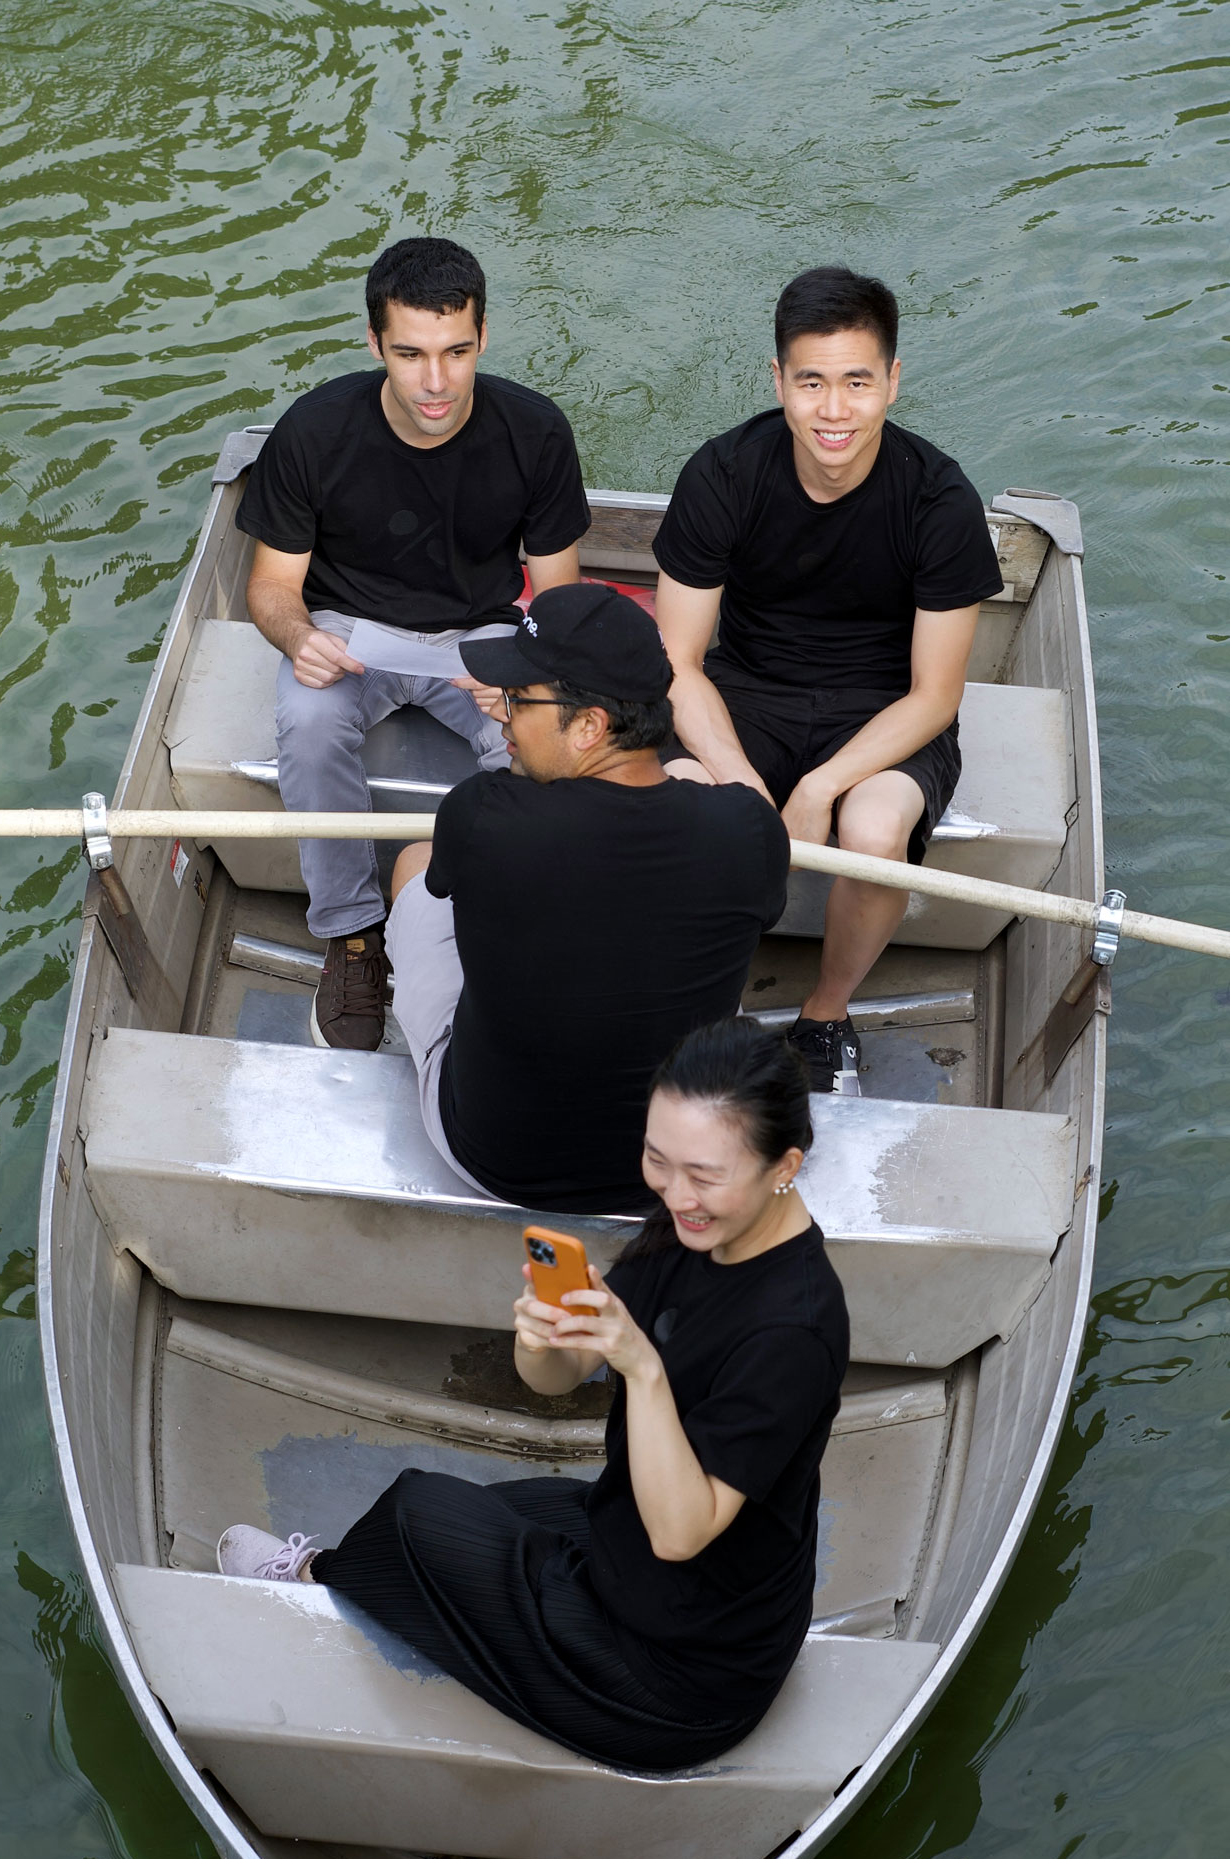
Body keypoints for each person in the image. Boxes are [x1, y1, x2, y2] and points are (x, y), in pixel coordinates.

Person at [218, 1018, 850, 1775]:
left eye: (704, 1174)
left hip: (680, 1677)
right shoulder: (701, 1230)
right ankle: (374, 1576)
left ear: (785, 1166)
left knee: (420, 1513)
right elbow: (556, 1376)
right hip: (644, 1557)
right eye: (657, 1158)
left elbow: (684, 1530)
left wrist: (641, 1368)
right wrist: (543, 1335)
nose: (676, 1192)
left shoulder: (794, 1328)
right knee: (487, 1508)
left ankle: (318, 1578)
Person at [654, 265, 1004, 1093]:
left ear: (892, 380)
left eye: (857, 381)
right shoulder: (724, 474)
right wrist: (742, 786)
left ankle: (825, 1012)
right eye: (812, 382)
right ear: (779, 380)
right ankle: (702, 1006)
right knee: (680, 797)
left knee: (876, 827)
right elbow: (676, 664)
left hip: (883, 712)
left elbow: (936, 695)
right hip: (746, 691)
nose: (835, 410)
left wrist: (820, 788)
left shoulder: (939, 500)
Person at [236, 236, 591, 1050]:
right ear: (374, 344)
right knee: (310, 717)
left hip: (481, 634)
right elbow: (271, 589)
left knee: (551, 739)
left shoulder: (534, 431)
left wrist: (528, 669)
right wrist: (299, 638)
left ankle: (505, 916)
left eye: (456, 352)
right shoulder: (316, 430)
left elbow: (560, 595)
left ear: (483, 337)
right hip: (349, 631)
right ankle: (353, 933)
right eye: (411, 354)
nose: (436, 382)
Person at [381, 580, 789, 1213]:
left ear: (590, 726)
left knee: (415, 864)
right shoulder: (750, 830)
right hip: (670, 1176)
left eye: (518, 699)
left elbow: (464, 882)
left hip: (496, 1156)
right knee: (688, 785)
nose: (500, 714)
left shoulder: (481, 815)